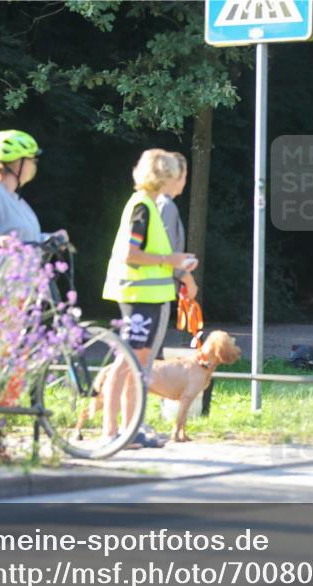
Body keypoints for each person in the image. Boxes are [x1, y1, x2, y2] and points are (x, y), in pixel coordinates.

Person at [0, 129, 68, 406]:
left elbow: (24, 240)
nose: (34, 166)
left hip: (12, 292)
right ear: (16, 163)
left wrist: (50, 239)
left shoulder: (15, 199)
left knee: (12, 359)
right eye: (31, 159)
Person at [101, 149, 196, 448]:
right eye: (172, 173)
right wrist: (172, 259)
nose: (178, 179)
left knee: (138, 363)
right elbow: (132, 254)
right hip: (137, 294)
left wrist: (175, 261)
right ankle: (110, 431)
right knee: (126, 361)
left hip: (150, 295)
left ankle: (130, 430)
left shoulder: (152, 207)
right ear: (162, 177)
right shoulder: (142, 206)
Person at [154, 151, 198, 353]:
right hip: (156, 288)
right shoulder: (167, 207)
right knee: (151, 351)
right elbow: (166, 251)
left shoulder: (156, 203)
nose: (185, 181)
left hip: (153, 286)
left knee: (147, 351)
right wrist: (187, 278)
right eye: (184, 175)